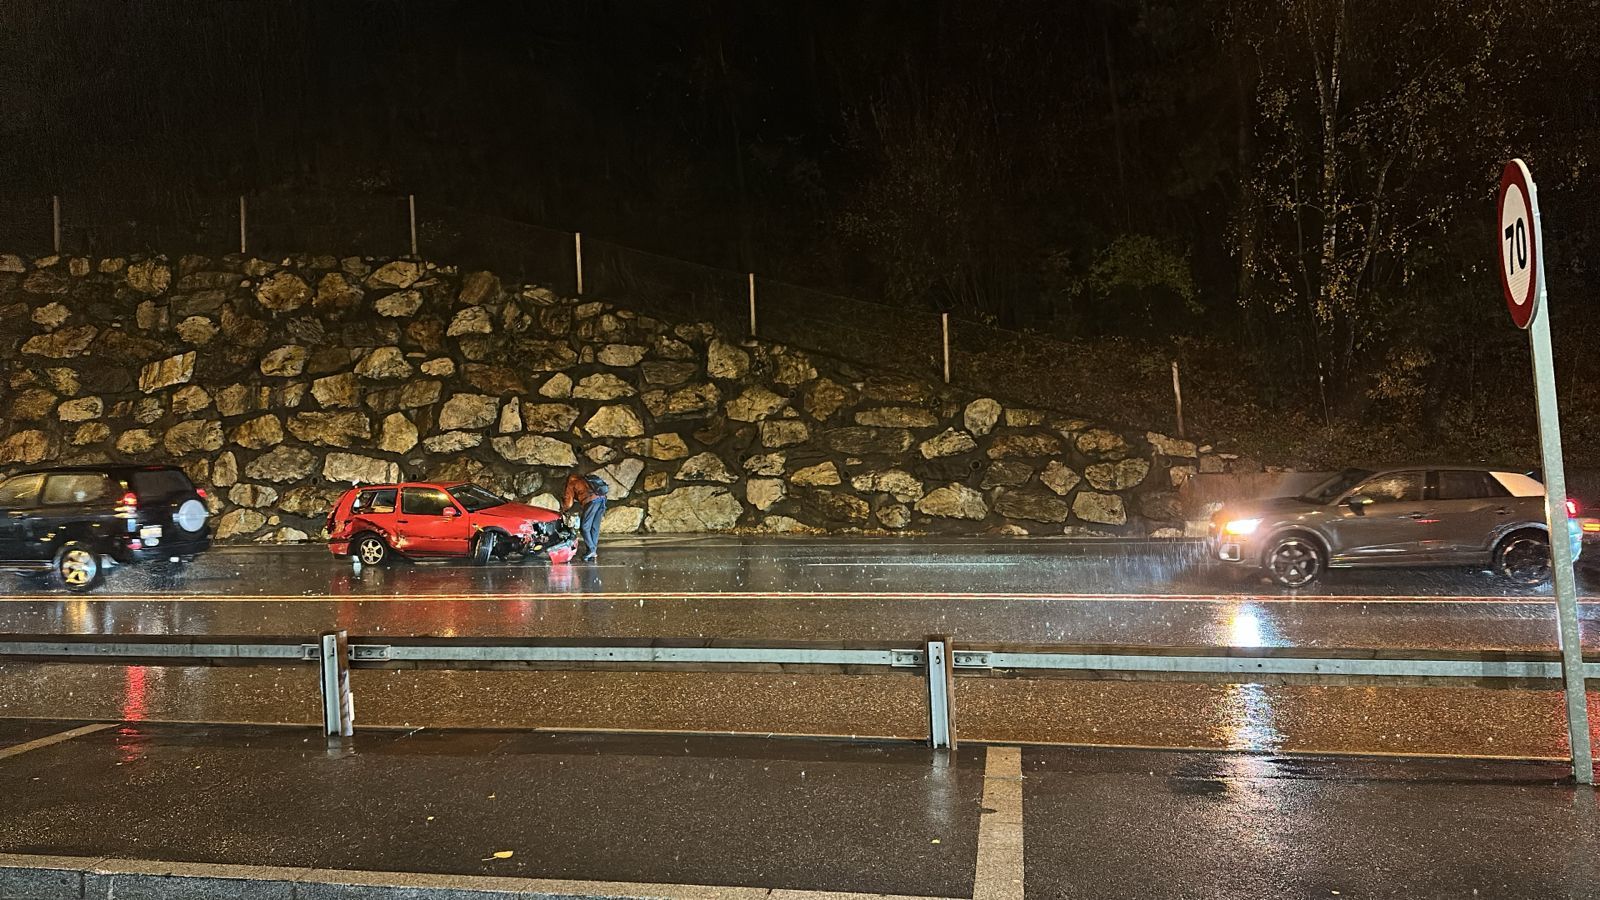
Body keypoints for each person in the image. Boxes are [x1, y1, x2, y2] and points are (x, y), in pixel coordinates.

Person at [562, 471, 608, 561]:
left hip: (592, 501)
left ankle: (591, 550)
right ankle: (592, 551)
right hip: (603, 499)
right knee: (595, 527)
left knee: (584, 527)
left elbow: (569, 503)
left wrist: (563, 509)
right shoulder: (584, 479)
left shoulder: (571, 483)